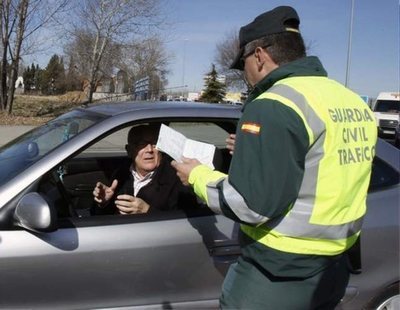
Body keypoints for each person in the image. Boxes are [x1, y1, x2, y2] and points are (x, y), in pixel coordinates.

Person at [171, 6, 377, 309]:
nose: (245, 73)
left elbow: (251, 205)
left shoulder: (273, 104)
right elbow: (322, 164)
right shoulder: (349, 101)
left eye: (243, 64)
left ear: (259, 56)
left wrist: (198, 176)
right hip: (335, 266)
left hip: (280, 272)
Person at [93, 123, 195, 215]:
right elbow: (100, 218)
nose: (150, 150)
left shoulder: (177, 179)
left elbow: (184, 225)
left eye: (154, 144)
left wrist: (147, 211)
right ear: (129, 151)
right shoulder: (122, 174)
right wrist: (104, 203)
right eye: (142, 144)